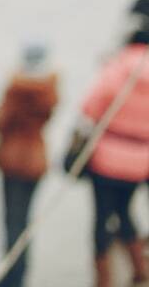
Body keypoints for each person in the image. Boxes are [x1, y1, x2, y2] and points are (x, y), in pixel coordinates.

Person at [81, 28, 149, 287]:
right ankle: (140, 270)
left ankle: (103, 280)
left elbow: (89, 107)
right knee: (125, 210)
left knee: (101, 217)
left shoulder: (116, 69)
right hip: (141, 159)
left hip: (107, 157)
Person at [0, 42, 58, 287]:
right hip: (37, 158)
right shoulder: (49, 89)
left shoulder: (16, 89)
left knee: (12, 221)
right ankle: (21, 275)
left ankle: (10, 278)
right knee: (25, 221)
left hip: (14, 158)